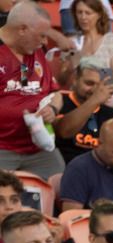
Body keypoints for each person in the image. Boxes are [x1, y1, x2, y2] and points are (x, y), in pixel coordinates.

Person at [0, 2, 65, 179]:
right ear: (22, 29)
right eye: (41, 36)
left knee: (63, 185)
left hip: (39, 148)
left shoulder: (35, 51)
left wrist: (52, 109)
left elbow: (55, 93)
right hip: (3, 148)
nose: (45, 42)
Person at [51, 61, 113, 166]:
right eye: (89, 83)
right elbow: (64, 131)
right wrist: (95, 100)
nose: (95, 90)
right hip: (66, 167)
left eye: (100, 86)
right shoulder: (59, 101)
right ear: (75, 80)